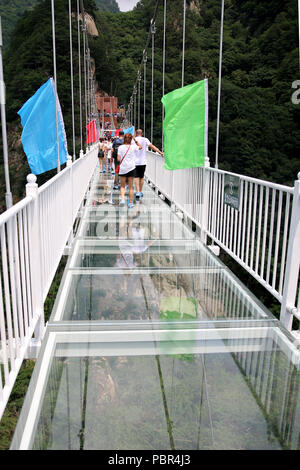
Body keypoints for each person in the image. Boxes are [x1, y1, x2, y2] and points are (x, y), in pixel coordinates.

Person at [134, 129, 163, 199]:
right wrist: (160, 152)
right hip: (143, 162)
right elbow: (152, 146)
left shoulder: (133, 140)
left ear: (135, 133)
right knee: (141, 177)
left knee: (136, 177)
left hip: (134, 162)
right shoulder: (145, 139)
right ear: (142, 133)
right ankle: (140, 191)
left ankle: (137, 191)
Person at [117, 133, 142, 208]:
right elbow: (140, 147)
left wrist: (121, 160)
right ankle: (130, 203)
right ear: (131, 139)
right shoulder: (133, 147)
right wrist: (135, 140)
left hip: (123, 168)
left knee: (122, 185)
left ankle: (122, 200)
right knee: (131, 187)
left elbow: (118, 159)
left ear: (124, 139)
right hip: (131, 168)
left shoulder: (120, 147)